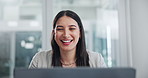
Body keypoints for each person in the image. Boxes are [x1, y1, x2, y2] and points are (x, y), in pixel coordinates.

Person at [29, 10, 106, 68]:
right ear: (54, 33)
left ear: (80, 33)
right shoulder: (40, 59)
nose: (66, 35)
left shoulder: (96, 60)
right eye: (60, 29)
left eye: (72, 28)